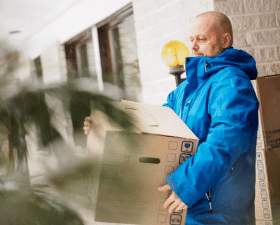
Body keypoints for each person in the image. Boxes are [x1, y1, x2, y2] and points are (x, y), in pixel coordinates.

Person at [84, 11, 259, 224]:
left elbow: (225, 142)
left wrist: (187, 184)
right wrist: (103, 127)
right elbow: (156, 128)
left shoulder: (232, 83)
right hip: (186, 210)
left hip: (218, 214)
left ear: (225, 40)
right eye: (191, 40)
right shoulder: (186, 89)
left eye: (202, 39)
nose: (193, 47)